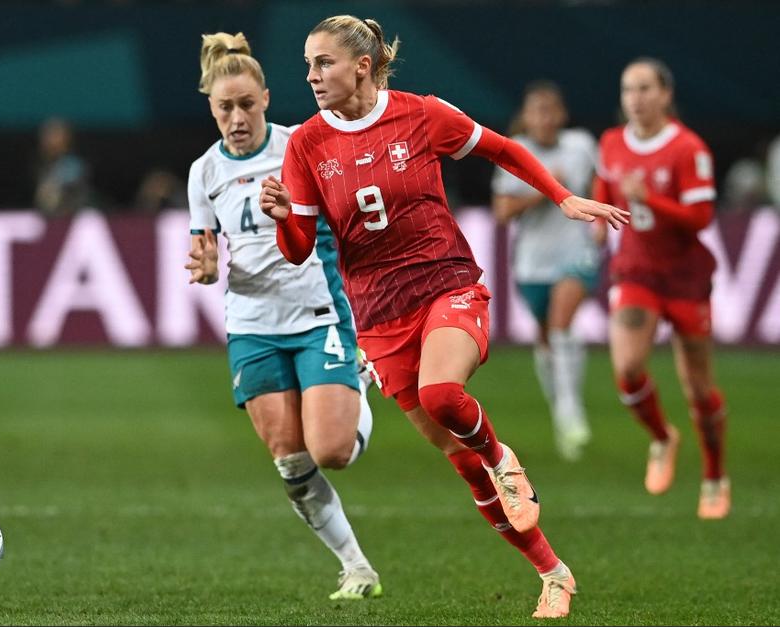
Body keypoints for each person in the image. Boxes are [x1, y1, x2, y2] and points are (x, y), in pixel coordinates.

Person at [259, 15, 627, 619]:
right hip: (379, 317)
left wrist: (562, 197)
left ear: (362, 66)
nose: (312, 76)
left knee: (441, 395)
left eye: (323, 63)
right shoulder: (306, 143)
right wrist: (282, 217)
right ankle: (552, 572)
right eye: (307, 65)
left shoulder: (422, 114)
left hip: (446, 286)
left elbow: (503, 148)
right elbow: (298, 249)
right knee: (462, 464)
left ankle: (502, 456)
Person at [185, 31, 381, 601]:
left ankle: (361, 379)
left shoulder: (302, 145)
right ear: (212, 109)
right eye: (225, 108)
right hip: (252, 327)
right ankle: (356, 568)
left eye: (247, 104)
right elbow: (204, 249)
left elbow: (349, 214)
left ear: (267, 99)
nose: (237, 118)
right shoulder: (204, 172)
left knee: (332, 452)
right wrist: (204, 267)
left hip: (318, 312)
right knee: (293, 464)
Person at [593, 57, 730, 519]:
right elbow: (605, 182)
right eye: (628, 89)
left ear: (665, 94)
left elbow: (701, 218)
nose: (635, 98)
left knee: (699, 388)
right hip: (636, 272)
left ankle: (714, 476)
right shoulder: (612, 142)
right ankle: (662, 437)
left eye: (645, 88)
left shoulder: (688, 148)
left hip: (685, 277)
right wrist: (599, 215)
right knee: (628, 369)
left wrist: (649, 199)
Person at [491, 81, 599, 461]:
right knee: (546, 338)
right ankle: (560, 411)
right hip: (532, 262)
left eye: (551, 110)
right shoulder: (515, 152)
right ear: (527, 117)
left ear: (562, 114)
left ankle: (570, 409)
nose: (546, 118)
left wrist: (601, 215)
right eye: (538, 111)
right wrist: (546, 188)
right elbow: (502, 211)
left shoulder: (581, 145)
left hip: (576, 252)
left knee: (560, 324)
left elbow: (601, 181)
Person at [33, 117, 93, 215]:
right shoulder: (40, 165)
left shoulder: (73, 165)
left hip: (74, 217)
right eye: (47, 136)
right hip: (49, 218)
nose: (50, 141)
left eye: (55, 135)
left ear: (67, 138)